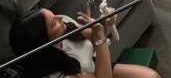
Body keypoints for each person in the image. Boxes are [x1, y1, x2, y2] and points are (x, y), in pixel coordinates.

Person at [9, 7, 160, 78]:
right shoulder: (54, 72)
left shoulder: (64, 22)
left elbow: (93, 37)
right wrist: (99, 33)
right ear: (42, 41)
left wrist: (105, 23)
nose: (60, 18)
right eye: (53, 23)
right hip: (98, 73)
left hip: (95, 66)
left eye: (54, 15)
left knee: (151, 76)